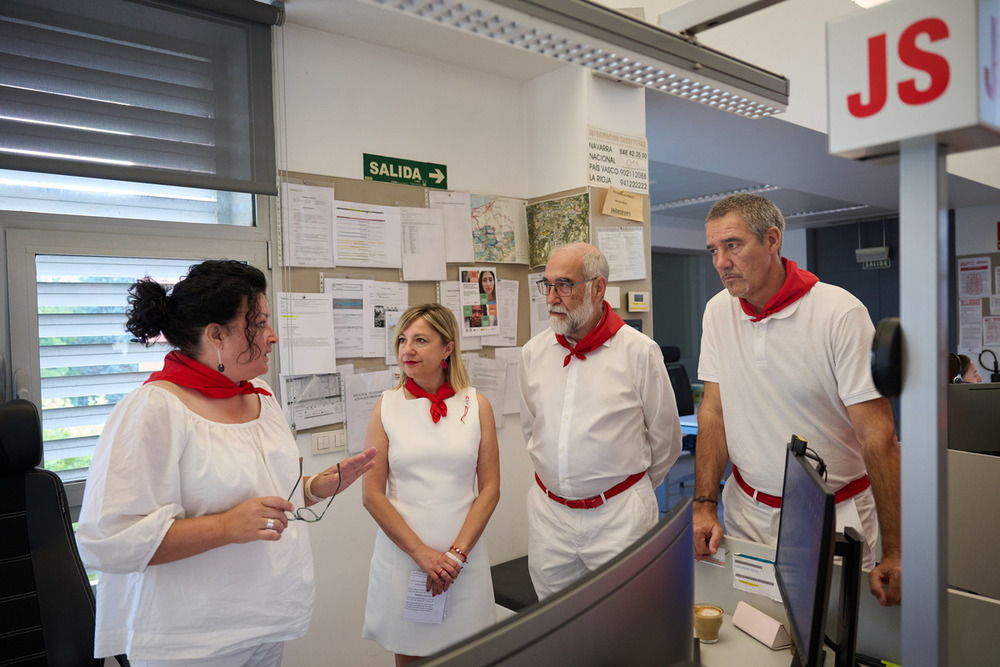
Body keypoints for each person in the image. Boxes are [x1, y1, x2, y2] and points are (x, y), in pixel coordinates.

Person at [76, 260, 377, 666]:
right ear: (215, 334)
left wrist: (311, 488)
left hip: (266, 620)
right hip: (192, 640)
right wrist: (224, 527)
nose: (272, 337)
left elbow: (260, 494)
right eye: (259, 323)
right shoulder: (153, 409)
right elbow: (110, 541)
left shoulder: (260, 395)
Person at [694, 194, 902, 607]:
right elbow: (714, 413)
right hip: (746, 512)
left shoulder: (838, 313)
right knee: (753, 632)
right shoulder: (719, 311)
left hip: (832, 516)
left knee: (829, 639)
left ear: (772, 241)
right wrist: (705, 504)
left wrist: (896, 550)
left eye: (733, 245)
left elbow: (877, 435)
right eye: (713, 250)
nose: (720, 262)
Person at [518, 242, 682, 600]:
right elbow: (532, 429)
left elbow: (667, 440)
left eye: (564, 285)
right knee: (557, 628)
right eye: (546, 285)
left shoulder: (638, 352)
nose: (551, 298)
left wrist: (622, 490)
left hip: (619, 519)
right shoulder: (533, 354)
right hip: (550, 519)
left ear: (597, 287)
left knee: (626, 626)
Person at [361, 303, 500, 666]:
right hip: (406, 561)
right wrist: (422, 554)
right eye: (403, 340)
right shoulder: (386, 407)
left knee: (471, 656)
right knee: (411, 658)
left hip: (463, 562)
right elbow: (372, 495)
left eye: (421, 340)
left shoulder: (477, 404)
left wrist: (454, 557)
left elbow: (490, 489)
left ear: (447, 348)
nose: (407, 349)